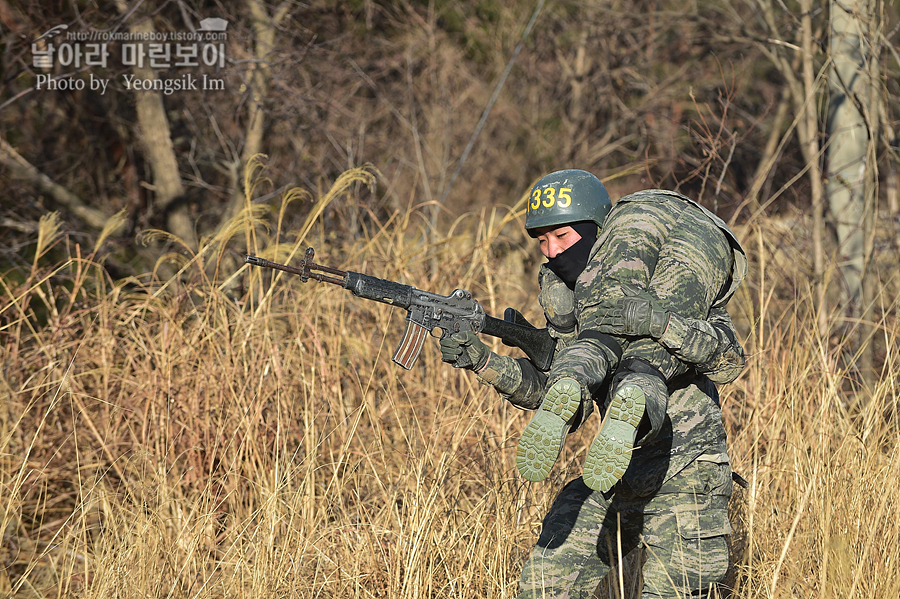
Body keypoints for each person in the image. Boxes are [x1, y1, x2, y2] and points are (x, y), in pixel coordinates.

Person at [438, 169, 747, 598]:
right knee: (544, 585)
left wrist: (662, 324)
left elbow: (729, 359)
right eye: (542, 242)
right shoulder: (569, 306)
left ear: (598, 231)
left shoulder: (673, 281)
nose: (552, 252)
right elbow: (552, 392)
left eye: (562, 236)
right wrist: (484, 362)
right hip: (610, 480)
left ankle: (640, 395)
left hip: (685, 476)